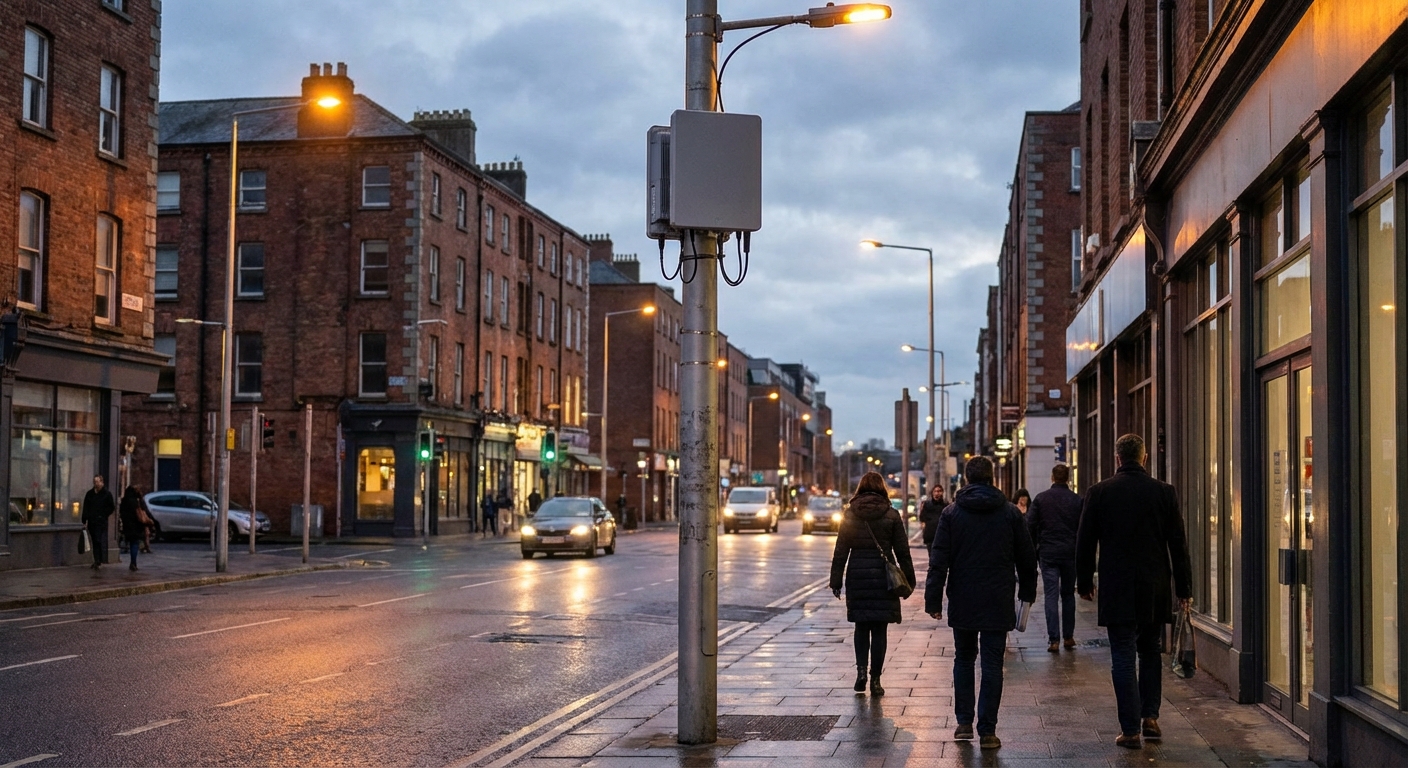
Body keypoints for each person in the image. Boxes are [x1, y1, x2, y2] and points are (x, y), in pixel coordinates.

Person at [1076, 434, 1192, 749]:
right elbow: (1177, 544)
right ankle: (1150, 717)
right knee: (1151, 649)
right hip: (1153, 584)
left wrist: (1084, 581)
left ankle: (1129, 729)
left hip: (1117, 585)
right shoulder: (1163, 493)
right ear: (1144, 458)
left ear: (1117, 459)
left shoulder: (1099, 493)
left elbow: (1085, 541)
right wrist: (1184, 588)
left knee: (1123, 655)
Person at [925, 456, 1038, 751]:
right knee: (991, 663)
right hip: (998, 598)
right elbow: (1027, 559)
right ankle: (987, 730)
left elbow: (939, 561)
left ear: (966, 478)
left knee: (963, 658)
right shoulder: (1011, 513)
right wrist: (1027, 594)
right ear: (992, 478)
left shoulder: (951, 514)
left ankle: (964, 723)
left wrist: (933, 599)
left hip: (963, 597)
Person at [829, 471, 915, 698]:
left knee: (861, 626)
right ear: (882, 489)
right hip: (883, 579)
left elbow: (840, 551)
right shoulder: (891, 515)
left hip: (857, 577)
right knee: (879, 630)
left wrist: (835, 581)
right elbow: (903, 552)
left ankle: (860, 673)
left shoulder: (850, 514)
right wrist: (909, 580)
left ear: (860, 489)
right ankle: (876, 680)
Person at [1027, 464, 1083, 653]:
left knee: (1051, 595)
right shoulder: (1076, 500)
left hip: (1048, 553)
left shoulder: (1041, 499)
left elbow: (1030, 526)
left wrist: (1035, 550)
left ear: (1052, 477)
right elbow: (1082, 529)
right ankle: (1068, 636)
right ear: (1068, 478)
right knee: (1068, 594)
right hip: (1070, 553)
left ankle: (1054, 639)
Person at [81, 475, 116, 570]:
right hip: (92, 521)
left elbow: (111, 507)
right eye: (94, 482)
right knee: (94, 540)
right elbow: (86, 507)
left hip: (100, 521)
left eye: (97, 482)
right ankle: (97, 559)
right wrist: (84, 520)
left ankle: (98, 559)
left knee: (98, 539)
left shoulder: (106, 494)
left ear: (102, 482)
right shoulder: (90, 494)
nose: (95, 484)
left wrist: (104, 514)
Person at [118, 486, 147, 571]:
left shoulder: (124, 501)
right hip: (136, 525)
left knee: (130, 542)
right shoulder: (136, 502)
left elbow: (121, 512)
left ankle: (133, 562)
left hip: (127, 525)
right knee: (134, 543)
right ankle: (133, 562)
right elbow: (142, 510)